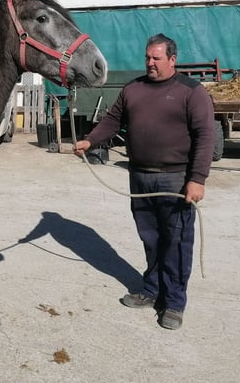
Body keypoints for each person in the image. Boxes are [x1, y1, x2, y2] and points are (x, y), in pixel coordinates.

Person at [74, 33, 215, 330]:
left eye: (156, 58)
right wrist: (90, 141)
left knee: (176, 242)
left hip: (175, 179)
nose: (150, 63)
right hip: (139, 176)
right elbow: (113, 120)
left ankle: (174, 303)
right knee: (150, 239)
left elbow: (205, 136)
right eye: (147, 58)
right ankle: (151, 290)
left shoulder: (192, 92)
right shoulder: (133, 88)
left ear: (172, 60)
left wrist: (197, 179)